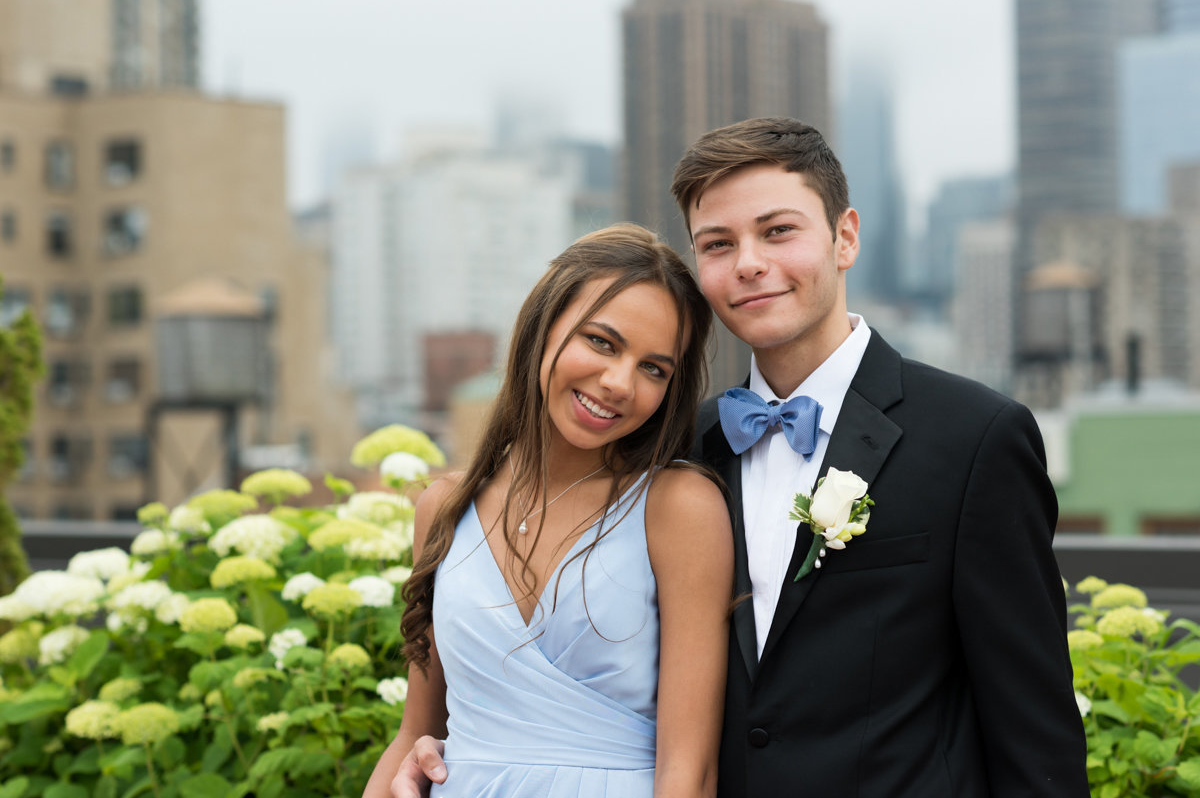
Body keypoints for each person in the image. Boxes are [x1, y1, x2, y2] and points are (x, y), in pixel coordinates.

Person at [673, 117, 1089, 797]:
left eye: (778, 231)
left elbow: (1033, 724)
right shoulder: (685, 448)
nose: (747, 261)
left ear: (845, 237)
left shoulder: (977, 436)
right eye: (717, 244)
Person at [361, 223, 734, 798]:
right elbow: (417, 731)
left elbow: (690, 770)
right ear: (542, 326)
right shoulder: (443, 507)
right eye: (602, 342)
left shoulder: (678, 508)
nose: (618, 383)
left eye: (653, 368)